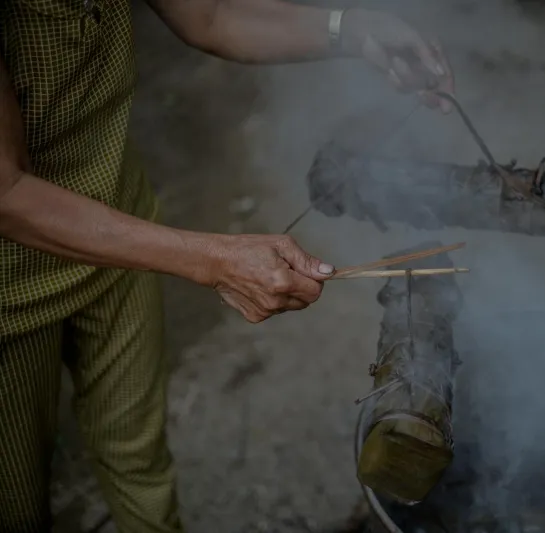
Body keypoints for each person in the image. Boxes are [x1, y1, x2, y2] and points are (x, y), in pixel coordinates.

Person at [0, 1, 454, 531]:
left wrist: (352, 27)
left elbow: (210, 15)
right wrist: (213, 259)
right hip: (12, 285)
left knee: (139, 454)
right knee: (17, 502)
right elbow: (6, 192)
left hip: (123, 220)